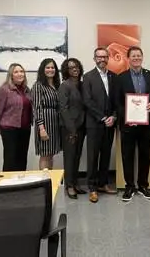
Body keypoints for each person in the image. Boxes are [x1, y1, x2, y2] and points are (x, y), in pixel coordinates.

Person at [116, 46, 150, 202]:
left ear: (142, 57)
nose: (136, 58)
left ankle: (143, 185)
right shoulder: (121, 77)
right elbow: (117, 102)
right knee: (127, 155)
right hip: (129, 124)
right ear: (128, 58)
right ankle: (129, 186)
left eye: (138, 56)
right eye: (133, 56)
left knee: (145, 155)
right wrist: (127, 116)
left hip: (146, 123)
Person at [83, 47, 118, 203]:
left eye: (105, 57)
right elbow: (87, 101)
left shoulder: (114, 77)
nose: (102, 59)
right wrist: (103, 117)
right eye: (99, 57)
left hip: (110, 123)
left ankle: (103, 183)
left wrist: (114, 116)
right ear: (94, 58)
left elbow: (117, 100)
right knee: (93, 157)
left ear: (108, 58)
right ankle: (92, 188)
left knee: (106, 154)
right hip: (94, 124)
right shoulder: (88, 77)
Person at [0, 63, 32, 171]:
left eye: (21, 71)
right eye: (16, 72)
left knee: (22, 159)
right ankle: (8, 186)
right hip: (9, 129)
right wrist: (1, 129)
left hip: (25, 129)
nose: (20, 74)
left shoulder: (27, 90)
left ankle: (21, 185)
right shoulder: (4, 90)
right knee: (10, 160)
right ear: (11, 75)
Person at [58, 58, 86, 199]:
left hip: (81, 127)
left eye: (76, 67)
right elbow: (63, 109)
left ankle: (75, 183)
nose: (75, 69)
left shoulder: (82, 85)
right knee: (69, 157)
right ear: (66, 71)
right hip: (70, 128)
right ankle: (69, 186)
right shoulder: (65, 86)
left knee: (77, 157)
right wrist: (72, 129)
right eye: (71, 67)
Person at [31, 58, 61, 170]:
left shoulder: (57, 86)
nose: (50, 70)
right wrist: (41, 128)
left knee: (51, 154)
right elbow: (37, 107)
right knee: (45, 154)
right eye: (47, 67)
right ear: (42, 70)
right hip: (44, 123)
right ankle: (43, 183)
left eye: (52, 67)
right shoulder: (38, 85)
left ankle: (50, 180)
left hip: (55, 123)